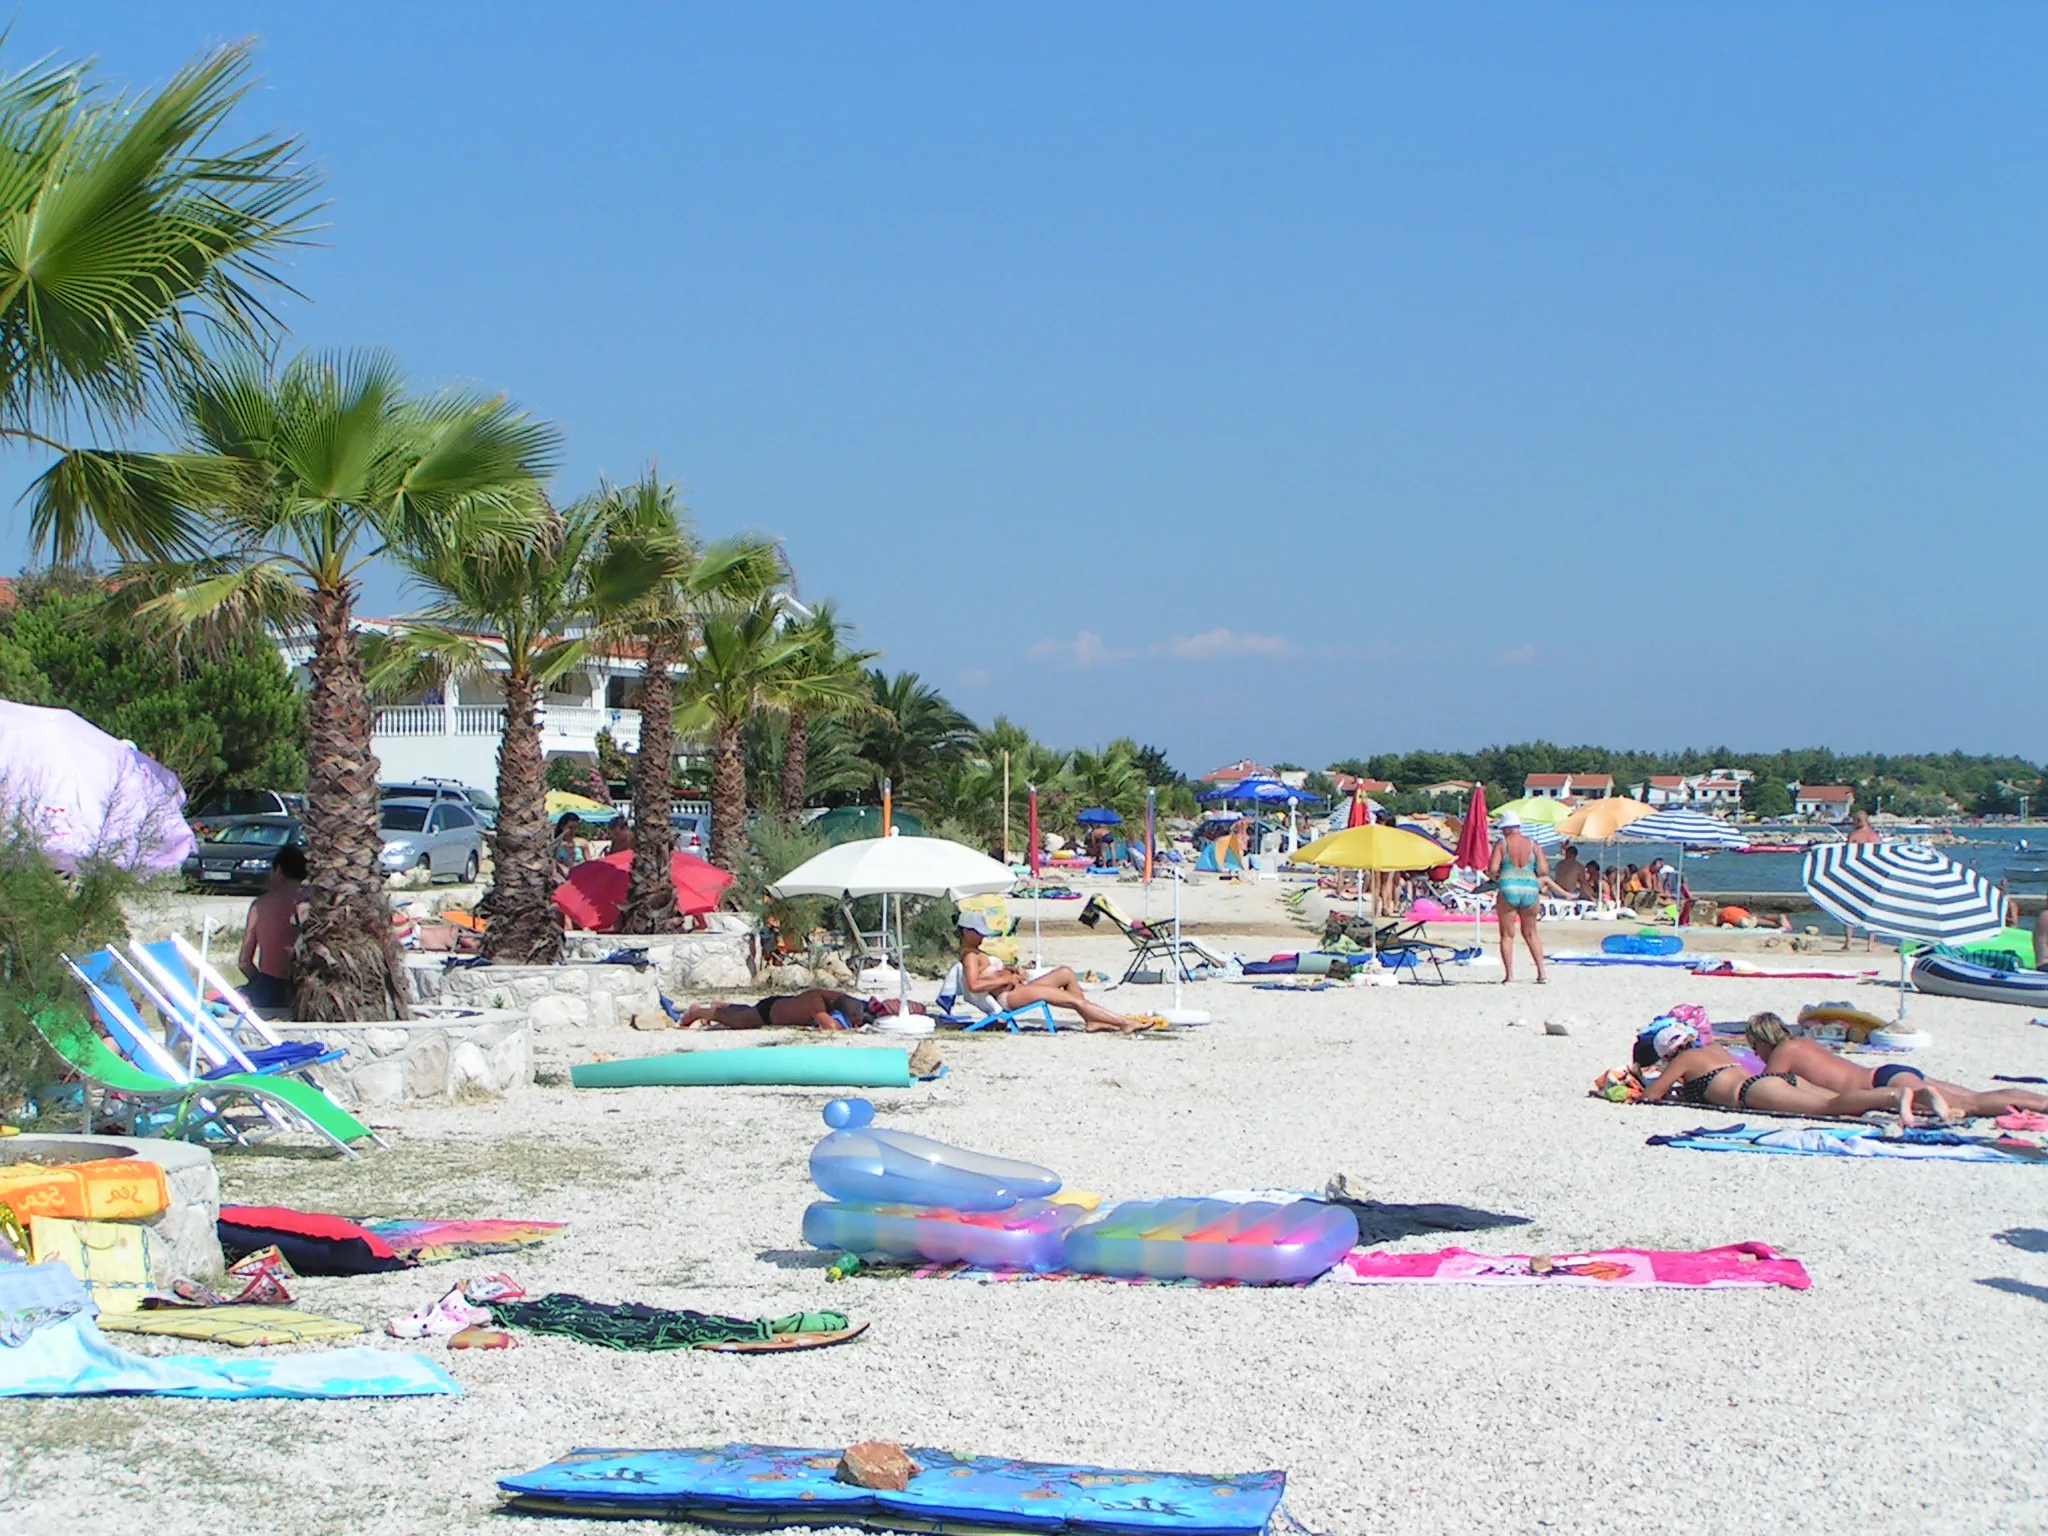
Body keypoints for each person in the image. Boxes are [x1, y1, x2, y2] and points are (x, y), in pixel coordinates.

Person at [1741, 1012, 2048, 1118]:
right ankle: (2041, 1102)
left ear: (1762, 1041)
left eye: (1755, 1048)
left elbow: (1766, 1089)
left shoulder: (1783, 1052)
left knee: (1973, 1104)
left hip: (1882, 1087)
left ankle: (2044, 1105)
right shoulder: (1803, 1042)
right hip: (1887, 1074)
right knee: (1976, 1096)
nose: (1756, 1055)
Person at [1640, 1021, 1942, 1127]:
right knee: (1843, 1102)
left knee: (1829, 1109)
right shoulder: (1715, 1049)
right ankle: (1917, 1100)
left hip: (1752, 1092)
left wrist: (1656, 1078)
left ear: (1669, 1053)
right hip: (1768, 1083)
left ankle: (1897, 1094)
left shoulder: (1685, 1060)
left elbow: (1651, 1096)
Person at [958, 915, 1148, 1032]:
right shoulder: (970, 957)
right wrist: (1008, 978)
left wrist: (1010, 970)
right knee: (1072, 999)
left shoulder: (976, 953)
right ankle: (1124, 1023)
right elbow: (974, 985)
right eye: (978, 933)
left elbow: (988, 974)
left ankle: (1091, 1018)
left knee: (1065, 973)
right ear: (966, 932)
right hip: (1009, 997)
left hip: (1016, 989)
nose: (983, 936)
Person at [237, 847, 307, 1014]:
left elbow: (244, 963)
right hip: (306, 989)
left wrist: (258, 982)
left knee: (218, 998)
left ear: (278, 871)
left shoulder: (260, 905)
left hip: (270, 988)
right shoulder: (314, 903)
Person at [1485, 811, 1548, 984]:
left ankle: (1509, 976)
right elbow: (1543, 870)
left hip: (1508, 887)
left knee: (1507, 935)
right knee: (1531, 933)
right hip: (1530, 888)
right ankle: (1542, 973)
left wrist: (1496, 876)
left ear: (1505, 828)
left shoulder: (1502, 844)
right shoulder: (1533, 844)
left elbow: (1492, 869)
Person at [677, 990, 912, 1030]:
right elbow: (829, 1027)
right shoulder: (816, 1001)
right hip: (770, 1013)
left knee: (741, 1012)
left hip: (778, 1007)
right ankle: (700, 1012)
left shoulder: (827, 1001)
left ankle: (721, 1005)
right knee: (738, 1021)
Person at [552, 814, 584, 880]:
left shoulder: (582, 843)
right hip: (562, 879)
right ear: (562, 827)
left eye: (575, 828)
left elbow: (589, 862)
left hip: (580, 878)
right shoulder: (555, 845)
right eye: (570, 828)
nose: (573, 831)